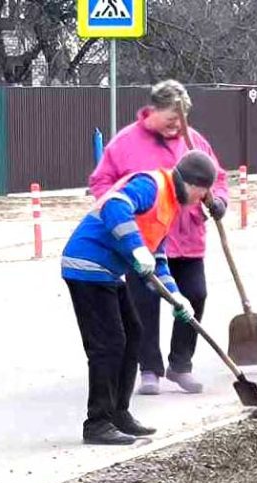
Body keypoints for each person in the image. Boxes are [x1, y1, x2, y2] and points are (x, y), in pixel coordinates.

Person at [64, 151, 218, 445]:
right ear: (196, 185)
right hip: (87, 265)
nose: (202, 200)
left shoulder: (169, 204)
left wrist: (177, 297)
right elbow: (115, 206)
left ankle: (118, 414)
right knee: (108, 345)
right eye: (203, 193)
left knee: (133, 334)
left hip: (108, 272)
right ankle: (97, 423)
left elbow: (157, 258)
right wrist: (135, 247)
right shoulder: (152, 185)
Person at [90, 80, 229, 396]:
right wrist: (119, 217)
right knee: (145, 303)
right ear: (152, 111)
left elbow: (217, 178)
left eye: (182, 120)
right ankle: (149, 368)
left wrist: (218, 200)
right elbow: (101, 183)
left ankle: (181, 363)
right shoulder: (125, 143)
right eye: (171, 120)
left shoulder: (194, 142)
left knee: (194, 295)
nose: (177, 126)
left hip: (188, 235)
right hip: (145, 239)